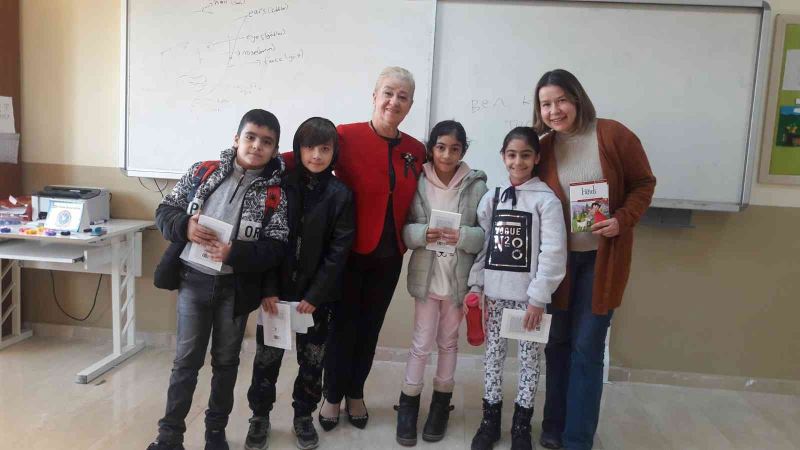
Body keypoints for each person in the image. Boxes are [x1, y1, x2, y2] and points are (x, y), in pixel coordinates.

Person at [147, 109, 290, 450]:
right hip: (193, 281)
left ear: (275, 149)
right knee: (186, 362)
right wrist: (185, 226)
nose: (256, 146)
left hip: (234, 290)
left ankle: (215, 433)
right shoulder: (203, 172)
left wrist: (234, 253)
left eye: (266, 142)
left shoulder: (275, 194)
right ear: (236, 138)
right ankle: (169, 436)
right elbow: (164, 210)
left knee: (226, 363)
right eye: (250, 137)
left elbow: (276, 247)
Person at [533, 69, 656, 450]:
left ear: (577, 99)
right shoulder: (543, 148)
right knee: (556, 345)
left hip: (602, 262)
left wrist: (622, 219)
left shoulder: (613, 135)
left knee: (586, 349)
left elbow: (643, 183)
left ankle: (577, 439)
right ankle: (553, 427)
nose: (554, 110)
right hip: (559, 266)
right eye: (545, 104)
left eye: (561, 101)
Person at [316, 66, 426, 431]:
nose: (394, 101)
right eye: (388, 93)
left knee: (370, 328)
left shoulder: (416, 150)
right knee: (342, 327)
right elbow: (303, 156)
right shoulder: (344, 136)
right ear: (375, 96)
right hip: (347, 253)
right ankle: (332, 395)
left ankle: (355, 392)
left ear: (410, 104)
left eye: (403, 96)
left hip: (390, 255)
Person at [244, 117, 355, 450]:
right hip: (275, 294)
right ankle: (259, 416)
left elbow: (338, 252)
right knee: (267, 359)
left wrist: (316, 295)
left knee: (312, 361)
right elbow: (267, 241)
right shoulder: (281, 185)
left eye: (324, 149)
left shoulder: (341, 195)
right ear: (298, 148)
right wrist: (268, 288)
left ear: (334, 152)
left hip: (316, 299)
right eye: (309, 147)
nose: (316, 155)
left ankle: (304, 416)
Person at [468, 127, 567, 450]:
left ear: (537, 158)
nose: (518, 161)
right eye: (511, 155)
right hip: (494, 297)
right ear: (503, 156)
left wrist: (538, 297)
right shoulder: (493, 197)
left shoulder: (546, 201)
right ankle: (490, 422)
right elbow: (484, 247)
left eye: (525, 155)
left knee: (528, 362)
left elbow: (553, 253)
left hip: (528, 301)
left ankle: (521, 426)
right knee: (492, 359)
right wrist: (477, 284)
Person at [394, 120, 487, 446]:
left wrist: (462, 236)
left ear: (463, 151)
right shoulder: (418, 180)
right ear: (431, 148)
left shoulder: (476, 186)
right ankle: (408, 404)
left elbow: (484, 237)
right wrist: (423, 234)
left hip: (458, 281)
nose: (447, 155)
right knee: (421, 343)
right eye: (441, 147)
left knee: (448, 342)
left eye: (455, 149)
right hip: (427, 279)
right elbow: (405, 230)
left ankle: (440, 404)